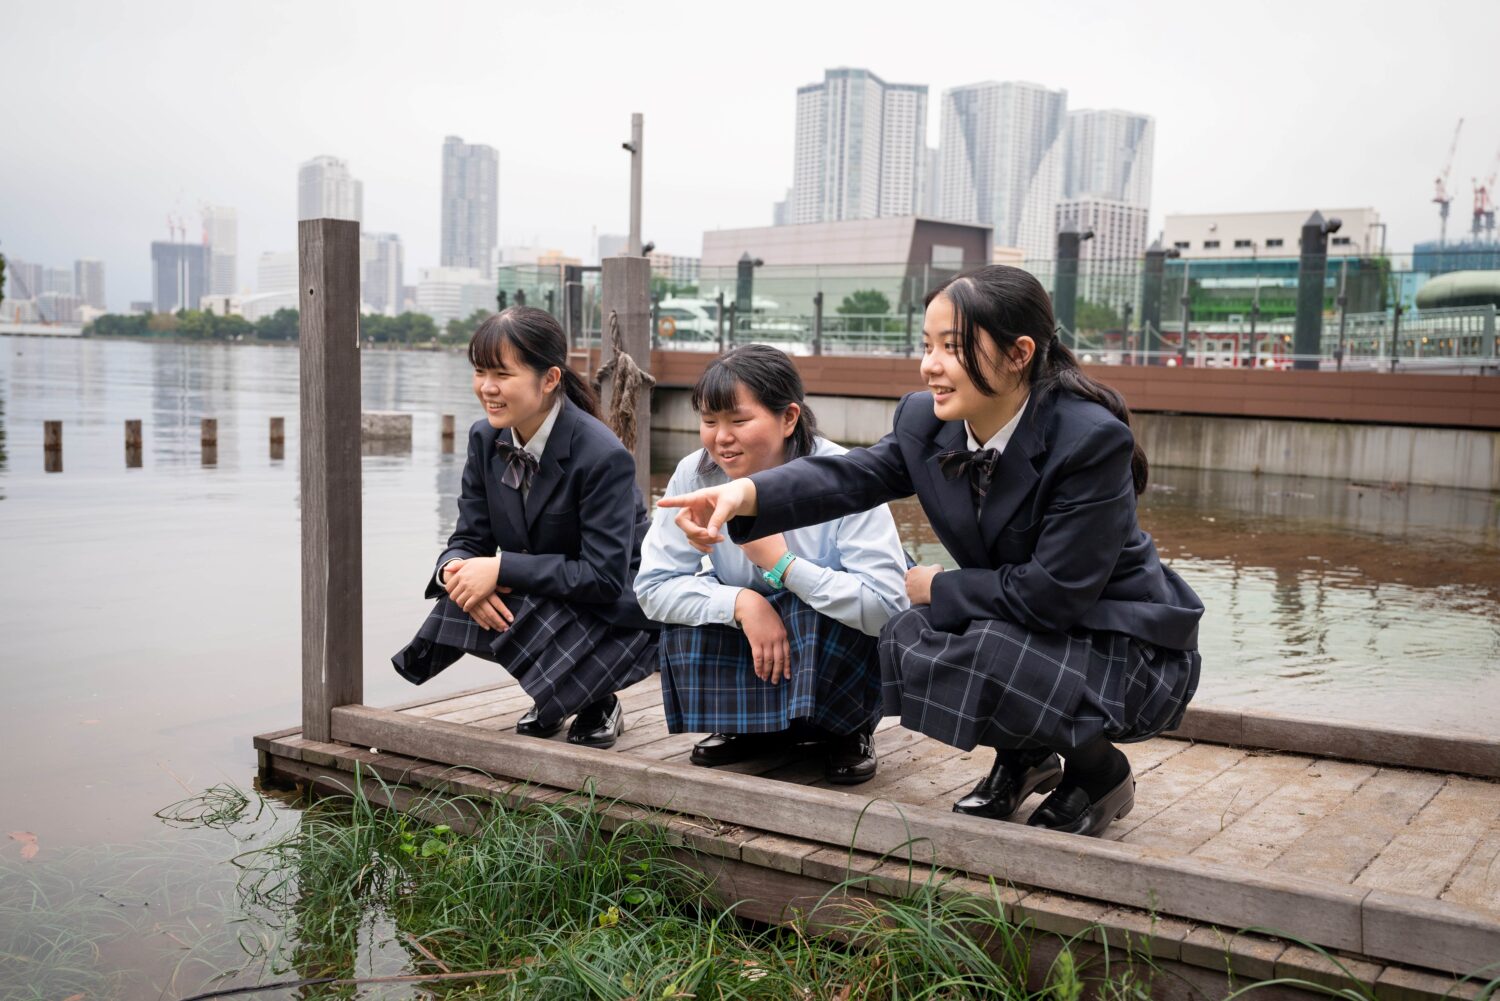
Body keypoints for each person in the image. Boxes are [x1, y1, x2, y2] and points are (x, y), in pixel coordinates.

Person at [659, 266, 1203, 837]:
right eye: (927, 345)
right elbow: (849, 477)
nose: (929, 365)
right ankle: (1023, 756)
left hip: (1123, 640)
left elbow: (1054, 596)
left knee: (969, 636)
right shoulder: (927, 420)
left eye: (952, 347)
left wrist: (938, 587)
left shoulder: (1089, 439)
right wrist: (743, 494)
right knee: (909, 634)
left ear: (1018, 353)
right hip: (1020, 624)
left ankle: (1100, 772)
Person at [635, 344, 908, 784]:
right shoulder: (695, 475)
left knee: (812, 606)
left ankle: (848, 730)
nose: (721, 438)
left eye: (739, 421)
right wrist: (742, 602)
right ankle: (751, 727)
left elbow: (888, 609)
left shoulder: (843, 475)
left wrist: (783, 566)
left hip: (831, 636)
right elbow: (653, 588)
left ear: (788, 418)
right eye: (709, 422)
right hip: (755, 633)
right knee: (695, 611)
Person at [392, 307, 657, 749]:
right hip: (552, 590)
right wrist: (455, 572)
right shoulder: (484, 440)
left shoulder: (602, 455)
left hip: (619, 612)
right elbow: (468, 539)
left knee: (503, 586)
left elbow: (605, 578)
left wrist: (499, 570)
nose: (487, 388)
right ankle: (554, 693)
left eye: (502, 374)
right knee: (464, 596)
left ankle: (598, 700)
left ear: (549, 379)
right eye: (479, 372)